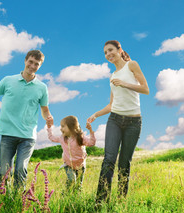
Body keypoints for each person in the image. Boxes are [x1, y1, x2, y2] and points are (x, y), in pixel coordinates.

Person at [0, 50, 53, 189]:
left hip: (28, 135)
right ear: (25, 61)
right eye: (31, 62)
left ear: (40, 66)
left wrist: (48, 118)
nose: (32, 66)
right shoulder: (8, 80)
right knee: (4, 171)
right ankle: (5, 201)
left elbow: (44, 110)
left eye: (37, 64)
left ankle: (19, 202)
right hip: (8, 133)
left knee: (21, 169)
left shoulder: (42, 88)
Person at [87, 40, 149, 203]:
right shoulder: (112, 76)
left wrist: (125, 84)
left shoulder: (132, 65)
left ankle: (121, 201)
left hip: (133, 123)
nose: (108, 54)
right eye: (105, 53)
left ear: (119, 49)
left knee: (124, 163)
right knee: (109, 159)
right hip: (114, 119)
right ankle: (100, 202)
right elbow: (112, 104)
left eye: (110, 50)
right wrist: (96, 115)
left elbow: (145, 89)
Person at [47, 116, 96, 191]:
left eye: (63, 126)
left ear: (71, 127)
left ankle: (76, 199)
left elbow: (91, 143)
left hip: (81, 166)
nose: (60, 128)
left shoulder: (80, 138)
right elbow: (52, 138)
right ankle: (65, 194)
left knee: (78, 185)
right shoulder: (62, 138)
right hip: (68, 165)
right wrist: (49, 128)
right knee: (72, 180)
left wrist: (91, 131)